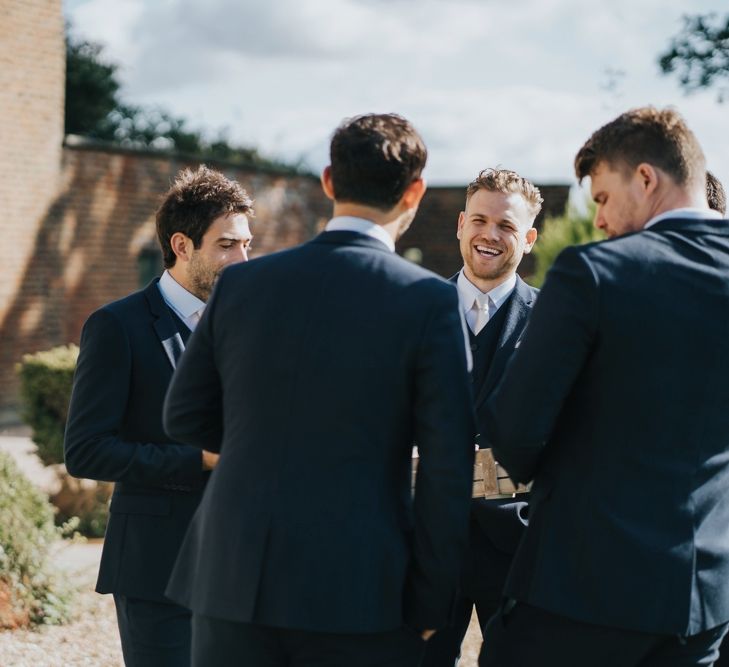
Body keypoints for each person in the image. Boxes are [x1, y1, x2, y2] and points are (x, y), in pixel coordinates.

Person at [162, 113, 476, 667]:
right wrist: (431, 604)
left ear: (330, 181)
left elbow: (185, 416)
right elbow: (447, 469)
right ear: (415, 192)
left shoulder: (243, 283)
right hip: (359, 587)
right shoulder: (427, 300)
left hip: (234, 576)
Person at [478, 106, 729, 667]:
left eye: (603, 199)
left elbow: (516, 436)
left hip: (581, 593)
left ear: (646, 178)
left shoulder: (593, 273)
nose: (599, 221)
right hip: (702, 603)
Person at [64, 165, 254, 667]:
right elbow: (86, 451)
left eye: (246, 245)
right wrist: (200, 460)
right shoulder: (116, 327)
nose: (243, 258)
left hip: (244, 566)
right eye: (227, 245)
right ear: (182, 244)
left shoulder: (252, 325)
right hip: (157, 566)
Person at [421, 168, 540, 667]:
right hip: (424, 538)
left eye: (507, 227)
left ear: (529, 238)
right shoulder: (415, 311)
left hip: (517, 541)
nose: (490, 235)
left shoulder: (556, 321)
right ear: (460, 225)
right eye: (480, 220)